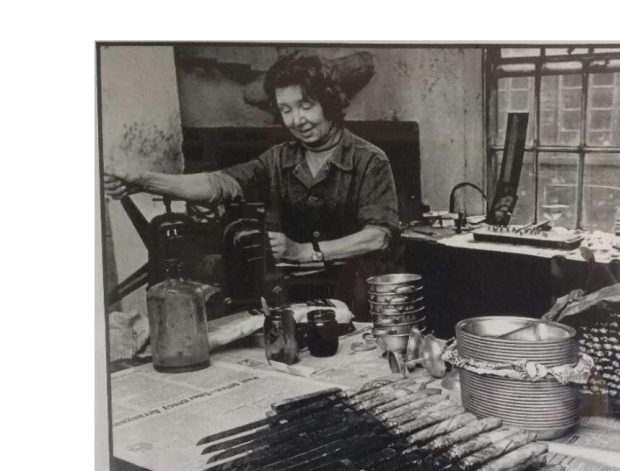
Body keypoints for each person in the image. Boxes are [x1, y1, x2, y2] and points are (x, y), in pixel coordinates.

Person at [103, 52, 400, 318]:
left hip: (356, 295)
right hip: (293, 294)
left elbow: (378, 237)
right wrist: (146, 181)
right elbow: (220, 184)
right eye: (286, 110)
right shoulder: (278, 159)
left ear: (329, 102)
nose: (297, 120)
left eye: (306, 106)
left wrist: (304, 251)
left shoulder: (370, 160)